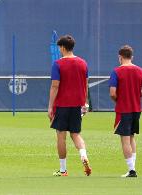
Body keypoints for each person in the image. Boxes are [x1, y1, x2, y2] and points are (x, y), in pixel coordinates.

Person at [48, 35, 92, 176]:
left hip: (62, 104)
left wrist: (50, 106)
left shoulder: (58, 64)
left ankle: (63, 170)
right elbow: (85, 85)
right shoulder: (83, 63)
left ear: (62, 47)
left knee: (61, 136)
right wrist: (85, 103)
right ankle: (83, 156)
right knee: (76, 134)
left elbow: (55, 86)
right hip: (77, 104)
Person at [109, 45, 142, 177]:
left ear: (120, 57)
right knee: (132, 137)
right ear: (132, 57)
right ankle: (133, 168)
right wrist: (134, 94)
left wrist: (120, 99)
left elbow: (112, 93)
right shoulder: (140, 70)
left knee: (125, 140)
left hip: (123, 109)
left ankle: (132, 170)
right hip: (136, 109)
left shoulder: (116, 71)